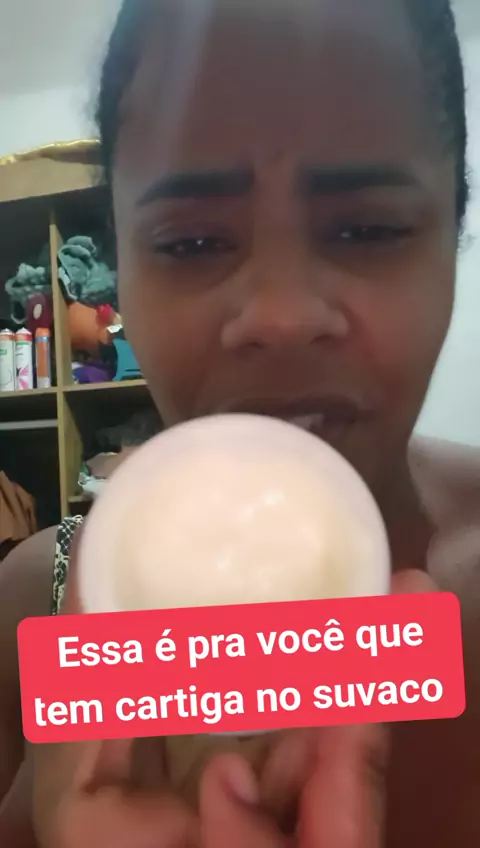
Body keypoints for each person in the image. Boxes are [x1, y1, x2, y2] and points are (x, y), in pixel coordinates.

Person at [0, 0, 479, 844]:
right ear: (120, 261)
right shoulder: (31, 613)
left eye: (367, 228)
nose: (281, 316)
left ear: (454, 233)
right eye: (190, 243)